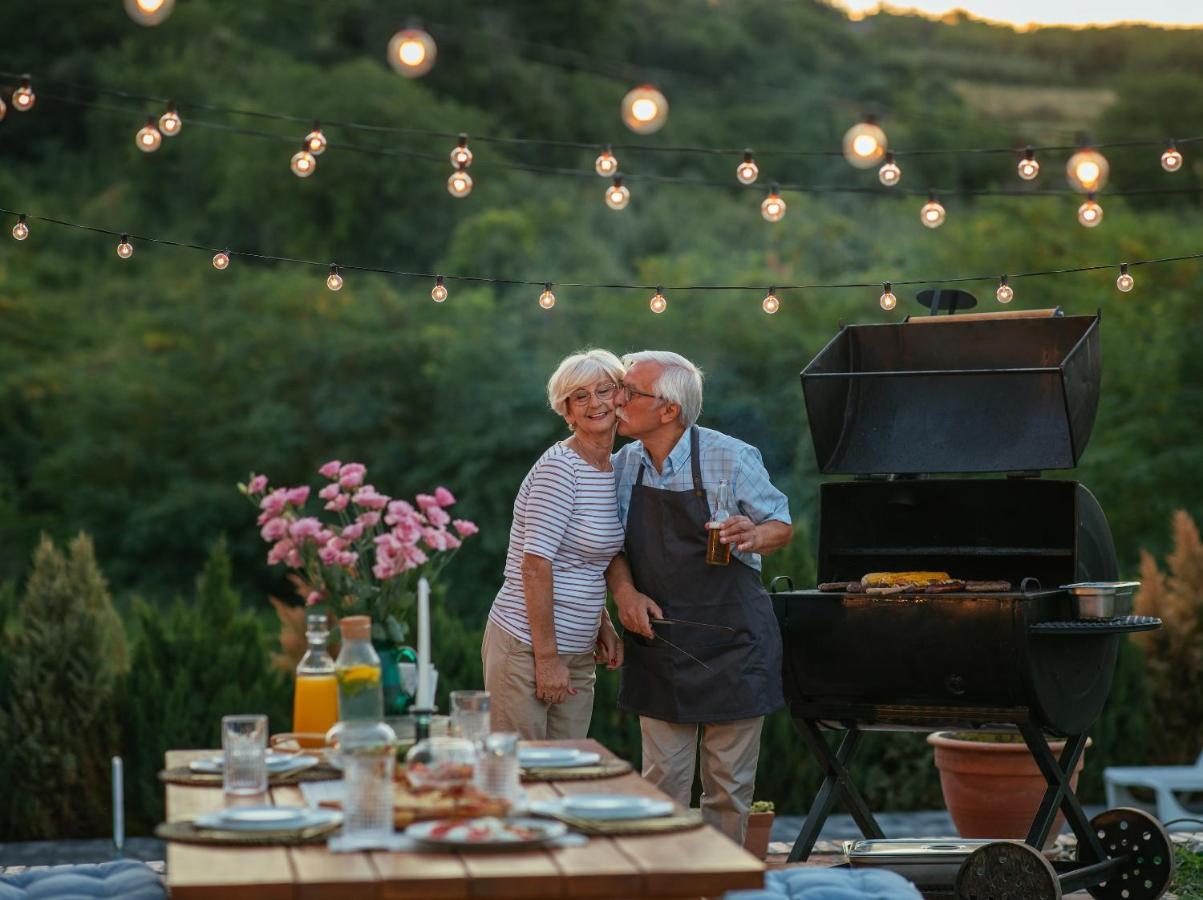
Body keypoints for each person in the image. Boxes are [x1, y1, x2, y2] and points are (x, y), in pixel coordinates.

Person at [607, 350, 792, 844]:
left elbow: (781, 524)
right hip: (660, 639)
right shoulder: (622, 465)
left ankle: (720, 887)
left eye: (630, 392)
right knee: (662, 785)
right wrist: (624, 594)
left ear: (668, 409)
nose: (617, 401)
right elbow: (611, 549)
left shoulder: (730, 455)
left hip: (735, 641)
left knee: (727, 790)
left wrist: (754, 534)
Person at [482, 349, 627, 739]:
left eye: (603, 390)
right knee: (523, 776)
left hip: (579, 653)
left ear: (621, 396)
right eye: (580, 397)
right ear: (567, 412)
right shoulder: (560, 468)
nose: (595, 403)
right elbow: (536, 565)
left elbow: (587, 559)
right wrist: (547, 661)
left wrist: (603, 623)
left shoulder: (613, 469)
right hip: (527, 649)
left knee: (568, 776)